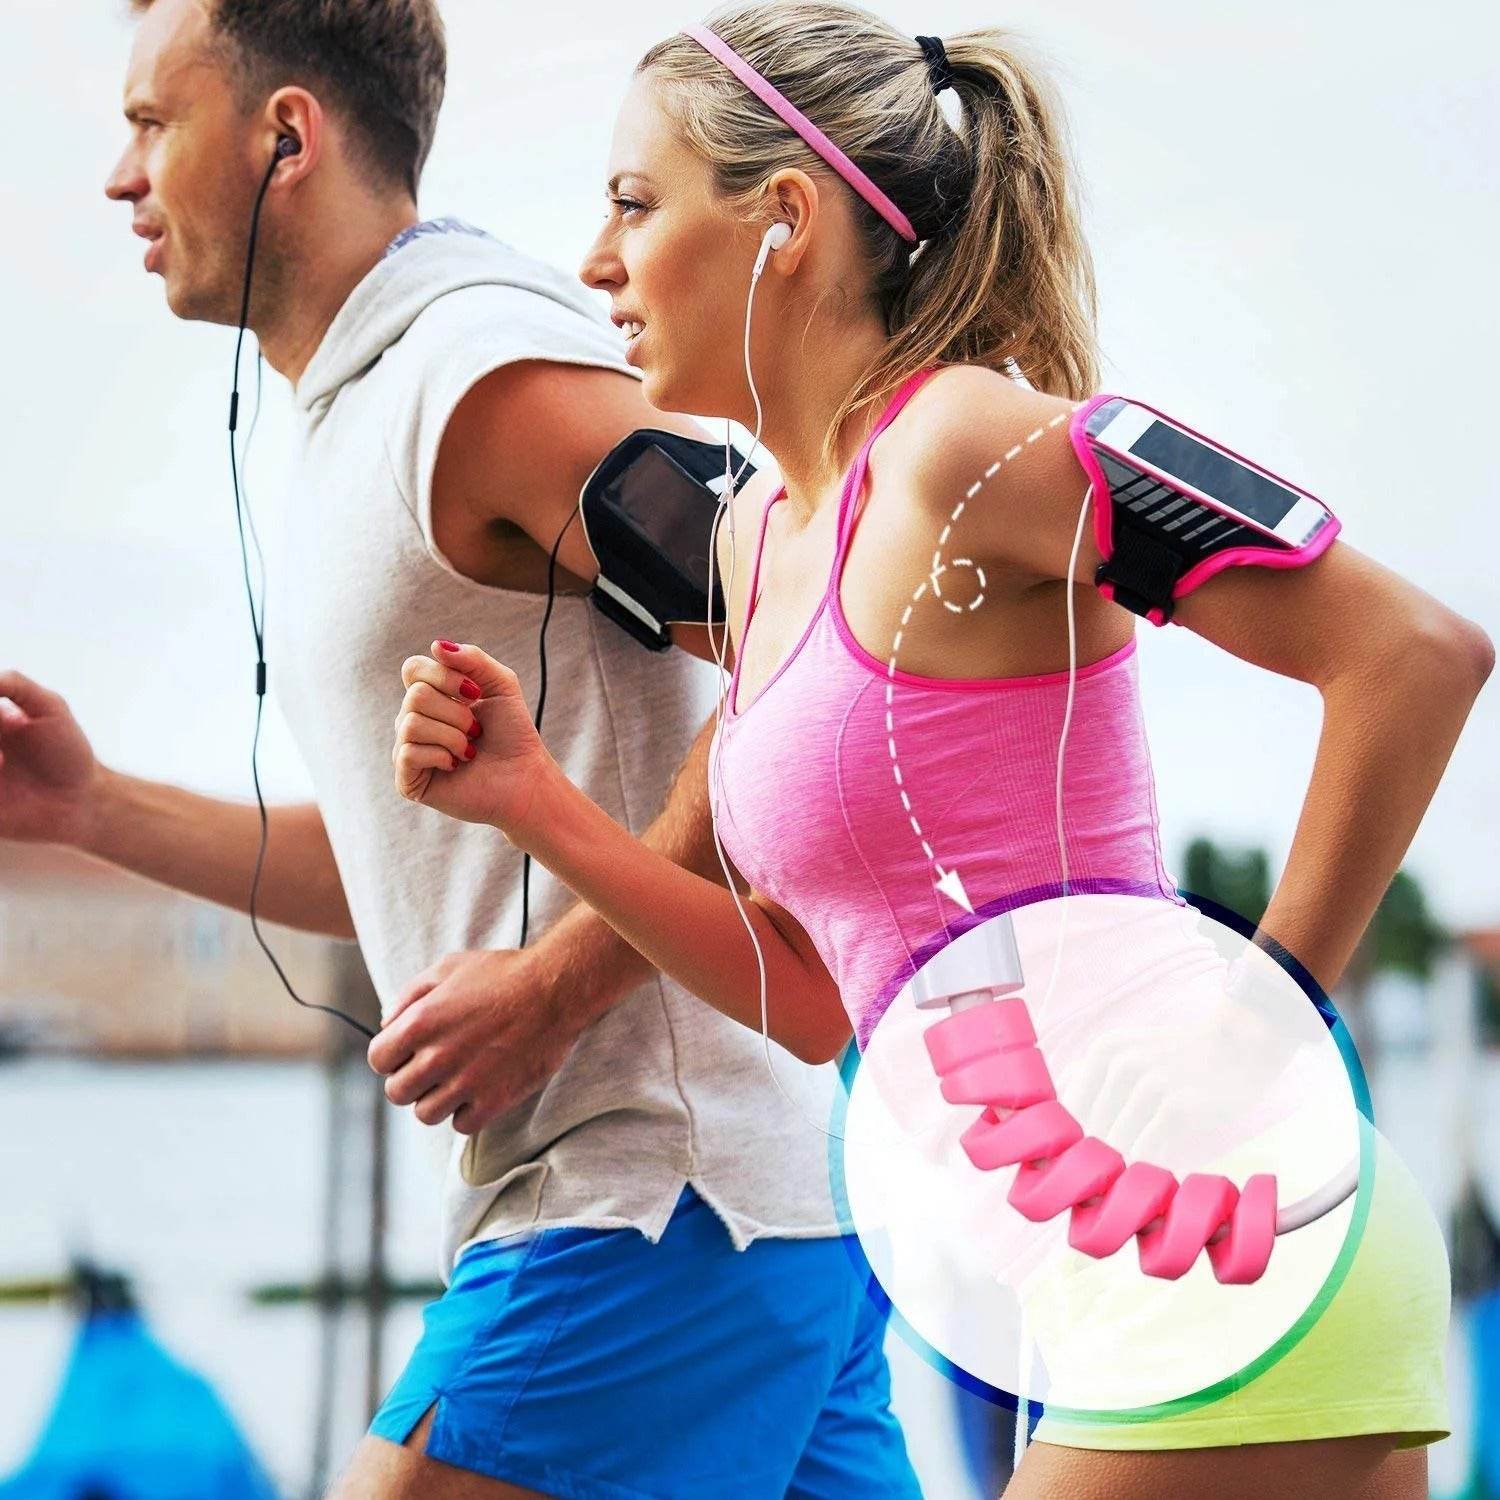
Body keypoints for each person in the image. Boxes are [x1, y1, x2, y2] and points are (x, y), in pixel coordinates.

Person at [392, 3, 1495, 1496]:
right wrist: (534, 803)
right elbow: (807, 1003)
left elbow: (1409, 657)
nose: (597, 261)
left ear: (784, 218)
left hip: (1205, 1223)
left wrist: (1262, 1012)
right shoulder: (766, 545)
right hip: (1105, 1272)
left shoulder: (967, 447)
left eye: (635, 206)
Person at [0, 1, 925, 1496]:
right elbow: (399, 861)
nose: (120, 175)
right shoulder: (355, 417)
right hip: (744, 1222)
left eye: (153, 123)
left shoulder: (482, 376)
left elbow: (816, 620)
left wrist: (558, 987)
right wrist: (88, 806)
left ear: (285, 135)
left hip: (648, 1210)